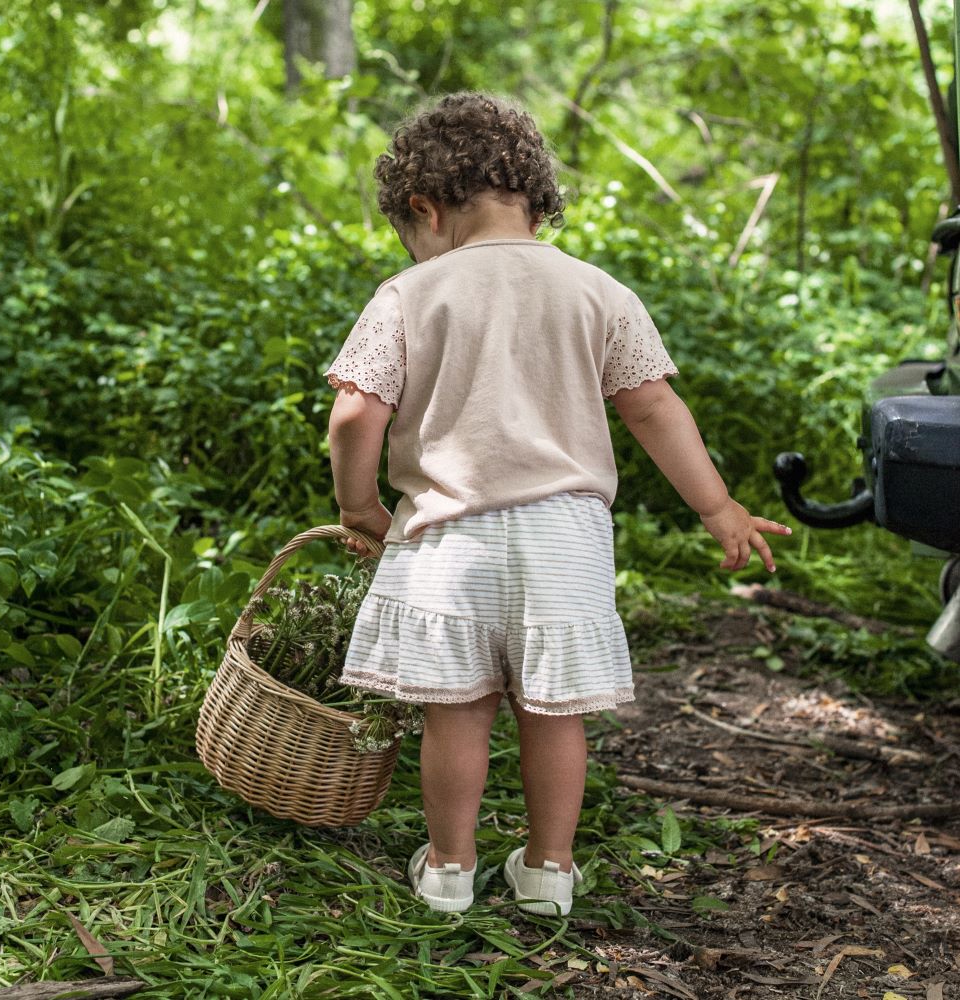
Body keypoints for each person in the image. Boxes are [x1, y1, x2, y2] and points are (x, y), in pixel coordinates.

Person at [323, 92, 791, 916]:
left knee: (456, 715)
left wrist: (360, 506)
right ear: (538, 202)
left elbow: (357, 412)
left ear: (424, 208)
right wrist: (719, 507)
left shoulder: (409, 294)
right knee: (553, 711)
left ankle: (447, 870)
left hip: (446, 539)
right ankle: (547, 872)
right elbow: (653, 409)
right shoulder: (597, 291)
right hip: (564, 541)